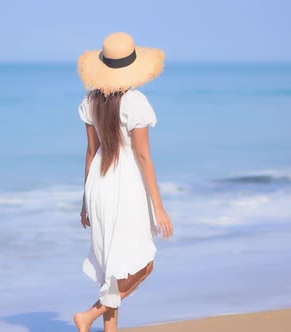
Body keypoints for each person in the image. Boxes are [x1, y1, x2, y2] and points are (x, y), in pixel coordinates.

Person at [74, 32, 174, 332]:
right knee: (144, 264)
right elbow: (143, 157)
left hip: (98, 187)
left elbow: (92, 152)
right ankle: (89, 315)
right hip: (125, 189)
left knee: (112, 270)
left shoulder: (90, 101)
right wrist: (159, 206)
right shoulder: (136, 102)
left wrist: (84, 202)